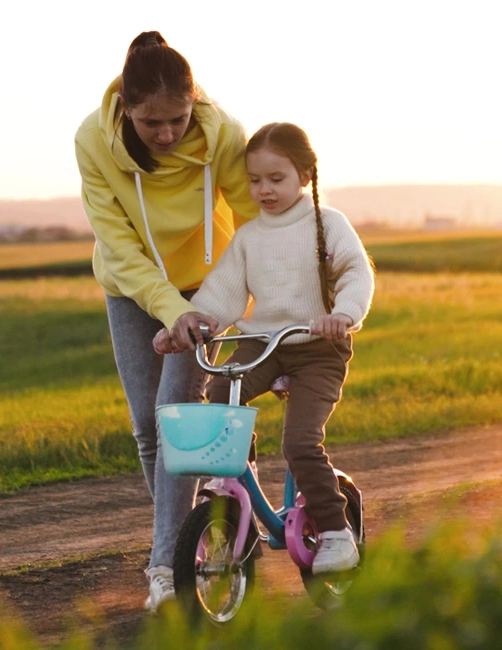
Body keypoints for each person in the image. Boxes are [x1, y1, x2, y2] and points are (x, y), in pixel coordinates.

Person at [75, 31, 260, 611]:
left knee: (175, 419)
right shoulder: (92, 141)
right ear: (126, 109)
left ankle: (166, 568)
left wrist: (265, 286)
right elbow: (119, 246)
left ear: (193, 101)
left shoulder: (223, 134)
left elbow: (255, 215)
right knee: (147, 428)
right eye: (152, 123)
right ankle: (207, 538)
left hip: (209, 287)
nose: (166, 133)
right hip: (133, 288)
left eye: (177, 119)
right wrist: (168, 308)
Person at [153, 122, 375, 574]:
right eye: (255, 180)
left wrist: (343, 314)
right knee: (218, 396)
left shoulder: (326, 225)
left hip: (317, 346)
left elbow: (356, 272)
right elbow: (223, 294)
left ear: (305, 176)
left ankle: (336, 533)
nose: (264, 190)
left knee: (299, 441)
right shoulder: (251, 236)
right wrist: (184, 325)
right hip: (263, 345)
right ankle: (234, 479)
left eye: (276, 179)